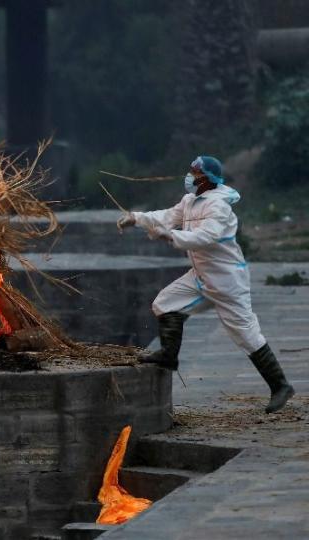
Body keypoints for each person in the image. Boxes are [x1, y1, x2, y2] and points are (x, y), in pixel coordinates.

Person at [117, 156, 294, 413]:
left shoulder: (219, 207)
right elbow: (167, 216)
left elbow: (205, 237)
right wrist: (136, 218)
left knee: (246, 333)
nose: (189, 175)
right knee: (165, 303)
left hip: (226, 280)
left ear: (207, 178)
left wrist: (171, 235)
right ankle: (168, 355)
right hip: (200, 275)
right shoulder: (190, 201)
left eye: (194, 172)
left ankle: (280, 386)